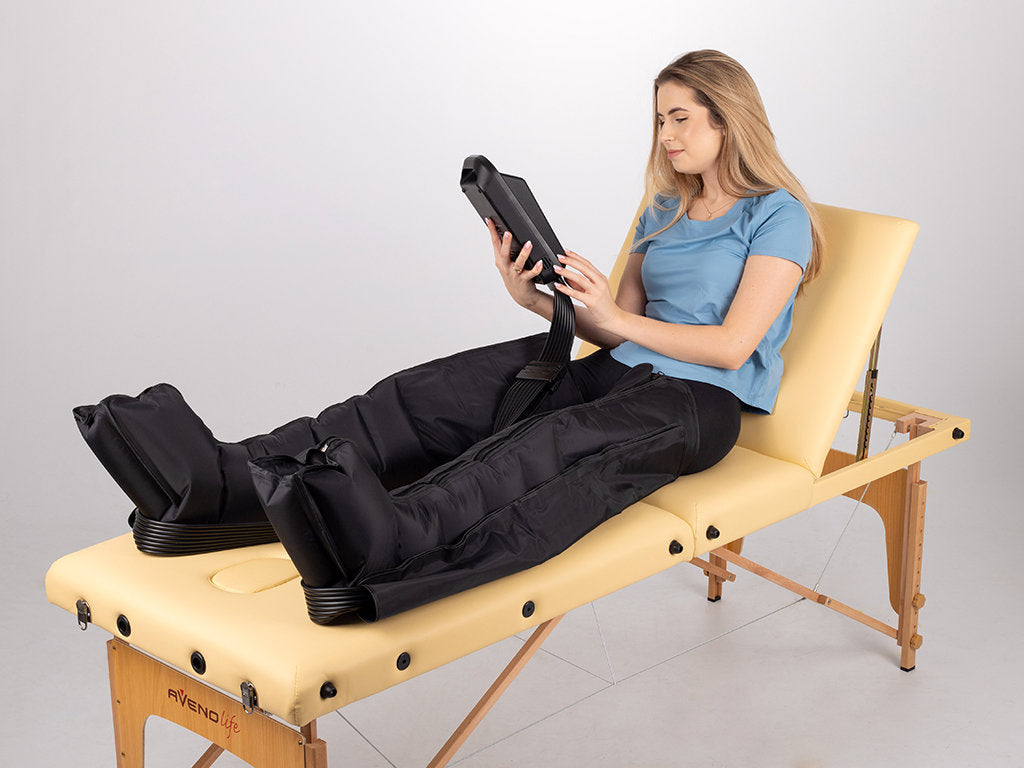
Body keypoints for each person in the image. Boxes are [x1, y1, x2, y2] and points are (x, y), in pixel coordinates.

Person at [75, 49, 823, 622]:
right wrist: (533, 299)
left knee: (547, 446)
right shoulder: (662, 209)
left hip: (698, 402)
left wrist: (619, 321)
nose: (665, 135)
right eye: (659, 120)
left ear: (727, 119)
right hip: (617, 369)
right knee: (434, 395)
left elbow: (732, 345)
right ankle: (221, 481)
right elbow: (608, 329)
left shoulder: (777, 215)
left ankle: (391, 540)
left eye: (681, 118)